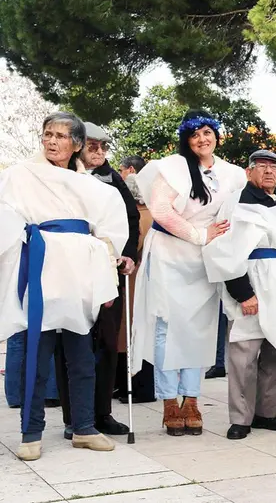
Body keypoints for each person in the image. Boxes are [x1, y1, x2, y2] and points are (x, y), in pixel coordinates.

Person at [0, 111, 128, 461]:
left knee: (82, 357)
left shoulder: (94, 187)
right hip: (39, 267)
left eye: (60, 136)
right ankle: (31, 432)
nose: (52, 141)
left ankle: (84, 428)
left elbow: (109, 234)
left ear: (76, 144)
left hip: (78, 274)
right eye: (47, 134)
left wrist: (104, 276)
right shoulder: (19, 176)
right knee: (36, 357)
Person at [131, 109, 247, 436]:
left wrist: (222, 241)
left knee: (200, 327)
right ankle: (169, 401)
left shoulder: (232, 174)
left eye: (207, 132)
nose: (202, 139)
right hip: (169, 251)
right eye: (195, 135)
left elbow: (235, 213)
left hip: (204, 259)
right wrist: (199, 234)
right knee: (167, 327)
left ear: (217, 135)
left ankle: (191, 399)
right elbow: (162, 209)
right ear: (187, 139)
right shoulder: (172, 168)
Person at [203, 150, 276, 440]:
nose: (269, 172)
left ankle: (268, 413)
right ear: (249, 171)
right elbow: (224, 250)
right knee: (244, 354)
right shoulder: (236, 205)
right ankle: (241, 417)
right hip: (252, 285)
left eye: (274, 168)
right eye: (262, 167)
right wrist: (242, 293)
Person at [53, 122, 139, 439]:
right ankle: (73, 416)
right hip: (74, 272)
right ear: (78, 146)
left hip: (108, 271)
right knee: (72, 343)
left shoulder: (115, 182)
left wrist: (128, 255)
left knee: (105, 342)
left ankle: (101, 412)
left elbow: (131, 221)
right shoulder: (63, 179)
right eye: (93, 145)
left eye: (104, 146)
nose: (100, 152)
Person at [117, 172, 156, 404]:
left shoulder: (138, 217)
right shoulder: (155, 214)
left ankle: (134, 387)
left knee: (130, 334)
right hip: (152, 279)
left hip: (134, 280)